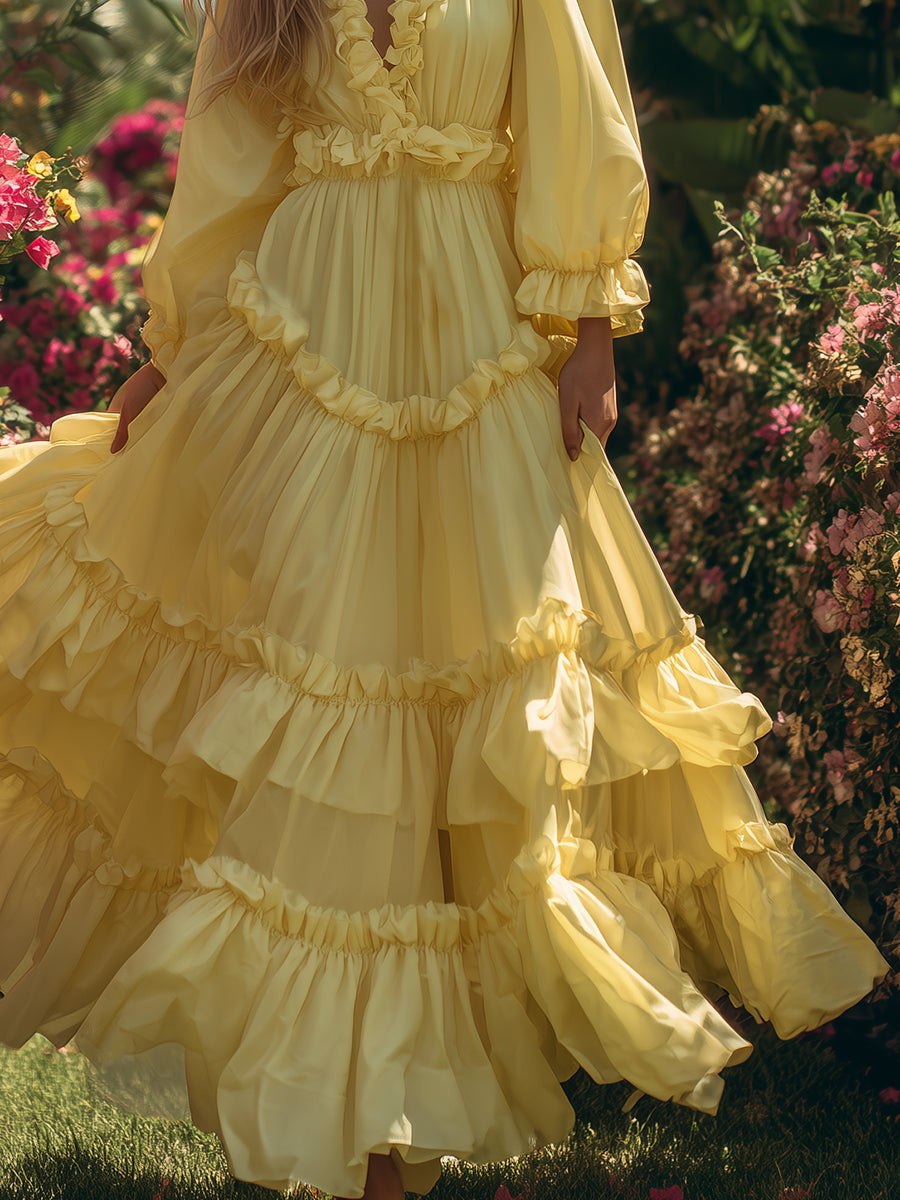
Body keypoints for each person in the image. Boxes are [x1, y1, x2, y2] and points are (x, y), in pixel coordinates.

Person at [0, 1, 890, 1197]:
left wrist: (590, 333)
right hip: (302, 354)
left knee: (481, 684)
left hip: (476, 341)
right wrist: (170, 352)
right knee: (330, 691)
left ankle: (397, 1114)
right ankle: (353, 1124)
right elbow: (229, 165)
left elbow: (576, 111)